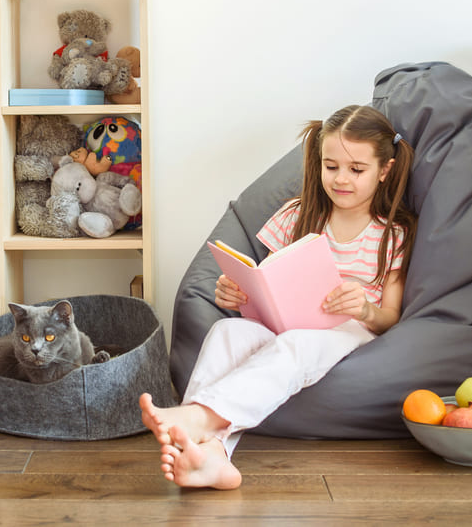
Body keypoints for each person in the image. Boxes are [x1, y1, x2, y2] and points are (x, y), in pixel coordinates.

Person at [140, 104, 417, 489]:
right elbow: (270, 280)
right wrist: (237, 295)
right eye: (331, 166)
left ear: (384, 171)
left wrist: (367, 309)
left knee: (297, 344)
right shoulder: (297, 215)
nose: (340, 179)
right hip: (283, 325)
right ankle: (213, 457)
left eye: (357, 170)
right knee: (225, 333)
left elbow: (391, 316)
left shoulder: (393, 234)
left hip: (348, 332)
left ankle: (197, 418)